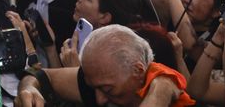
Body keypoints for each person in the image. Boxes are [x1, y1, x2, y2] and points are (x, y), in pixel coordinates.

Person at [15, 24, 189, 106]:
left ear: (138, 71)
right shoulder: (101, 81)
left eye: (108, 90)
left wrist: (162, 89)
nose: (99, 100)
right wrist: (29, 89)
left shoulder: (163, 86)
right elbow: (39, 74)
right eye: (95, 88)